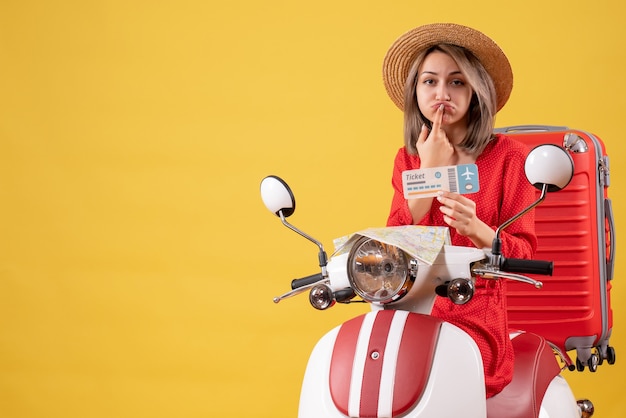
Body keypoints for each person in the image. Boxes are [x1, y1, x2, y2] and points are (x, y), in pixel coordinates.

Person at [382, 23, 538, 398]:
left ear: (475, 92)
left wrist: (477, 228)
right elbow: (392, 244)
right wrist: (428, 172)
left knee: (451, 381)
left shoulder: (510, 158)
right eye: (429, 81)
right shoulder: (408, 159)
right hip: (412, 308)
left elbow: (525, 252)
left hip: (475, 311)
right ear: (414, 91)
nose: (441, 94)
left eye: (456, 82)